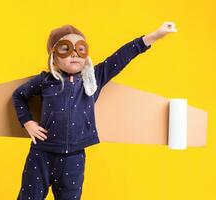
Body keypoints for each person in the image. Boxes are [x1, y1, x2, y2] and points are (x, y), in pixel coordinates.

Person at [12, 22, 177, 200]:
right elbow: (19, 95)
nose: (74, 54)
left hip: (73, 158)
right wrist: (27, 122)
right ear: (53, 57)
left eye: (80, 49)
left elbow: (121, 56)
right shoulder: (44, 80)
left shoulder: (93, 80)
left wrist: (154, 36)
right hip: (41, 154)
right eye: (65, 49)